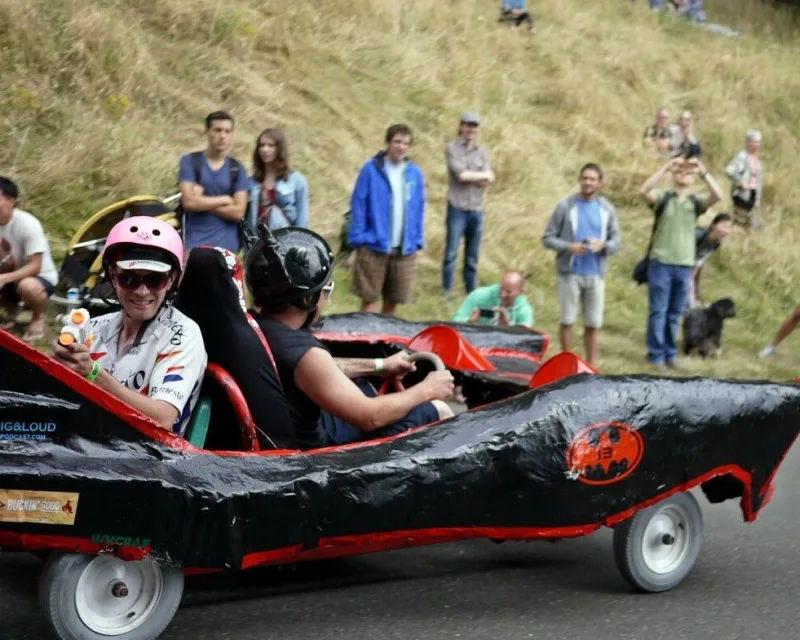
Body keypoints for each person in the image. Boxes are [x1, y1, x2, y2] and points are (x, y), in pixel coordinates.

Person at [246, 224, 455, 450]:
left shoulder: (252, 325)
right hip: (319, 457)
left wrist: (379, 365)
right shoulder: (302, 351)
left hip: (285, 434)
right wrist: (428, 389)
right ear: (308, 299)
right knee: (438, 409)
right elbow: (369, 417)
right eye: (327, 289)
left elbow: (319, 371)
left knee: (365, 385)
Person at [51, 217, 207, 436]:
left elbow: (162, 418)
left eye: (155, 280)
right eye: (130, 279)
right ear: (113, 277)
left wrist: (94, 373)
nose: (142, 292)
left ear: (171, 279)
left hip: (149, 461)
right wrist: (56, 368)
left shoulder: (183, 334)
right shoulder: (93, 327)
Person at [639, 157, 723, 370]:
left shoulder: (695, 203)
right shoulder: (663, 198)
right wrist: (665, 167)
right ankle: (655, 355)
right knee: (658, 310)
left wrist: (702, 171)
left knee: (675, 312)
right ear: (673, 176)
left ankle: (669, 353)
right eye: (680, 171)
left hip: (684, 265)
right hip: (661, 262)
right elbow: (644, 191)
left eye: (688, 172)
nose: (684, 173)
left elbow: (718, 195)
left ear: (693, 178)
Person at [542, 163, 622, 366]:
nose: (588, 182)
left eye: (592, 179)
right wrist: (569, 246)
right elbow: (547, 238)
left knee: (593, 323)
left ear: (600, 183)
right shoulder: (565, 207)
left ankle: (590, 365)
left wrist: (604, 245)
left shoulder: (606, 209)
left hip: (596, 273)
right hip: (570, 272)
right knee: (567, 319)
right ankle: (567, 364)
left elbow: (617, 241)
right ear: (579, 180)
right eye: (585, 178)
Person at [348, 124, 426, 317]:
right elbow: (359, 203)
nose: (401, 147)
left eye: (406, 143)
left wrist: (416, 239)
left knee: (393, 300)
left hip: (404, 248)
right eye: (397, 142)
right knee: (369, 299)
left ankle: (386, 345)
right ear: (388, 143)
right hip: (373, 245)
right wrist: (359, 238)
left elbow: (419, 207)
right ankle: (366, 342)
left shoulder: (414, 173)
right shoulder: (372, 169)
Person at [178, 111, 250, 252]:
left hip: (227, 250)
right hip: (193, 246)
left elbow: (238, 213)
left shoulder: (237, 169)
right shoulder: (190, 162)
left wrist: (200, 201)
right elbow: (189, 202)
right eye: (217, 130)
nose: (222, 136)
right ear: (207, 131)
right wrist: (224, 199)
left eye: (227, 131)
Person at [442, 111, 495, 297]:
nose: (471, 129)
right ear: (461, 126)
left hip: (476, 209)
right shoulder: (451, 149)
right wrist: (480, 175)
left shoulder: (482, 153)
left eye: (474, 126)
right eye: (468, 125)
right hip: (457, 207)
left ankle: (470, 292)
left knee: (472, 257)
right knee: (451, 253)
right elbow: (461, 175)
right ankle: (446, 291)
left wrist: (473, 176)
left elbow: (488, 181)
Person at [0, 176, 58, 342]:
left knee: (27, 286)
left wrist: (4, 278)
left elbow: (35, 266)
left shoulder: (27, 223)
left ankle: (37, 317)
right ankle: (14, 312)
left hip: (39, 278)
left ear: (11, 200)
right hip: (9, 278)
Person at [246, 127, 310, 231]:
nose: (265, 149)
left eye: (270, 145)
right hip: (258, 241)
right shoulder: (251, 182)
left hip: (285, 241)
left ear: (279, 149)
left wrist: (298, 242)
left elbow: (302, 219)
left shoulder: (297, 180)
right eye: (261, 145)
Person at [451, 269, 534, 327]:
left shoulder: (524, 310)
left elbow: (525, 340)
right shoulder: (479, 296)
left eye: (509, 291)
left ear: (520, 292)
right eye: (501, 288)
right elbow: (455, 321)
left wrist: (508, 328)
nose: (503, 294)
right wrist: (469, 322)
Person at [688, 212, 733, 309]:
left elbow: (699, 263)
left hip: (686, 270)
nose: (726, 231)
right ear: (713, 225)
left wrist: (695, 289)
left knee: (692, 304)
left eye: (729, 227)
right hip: (675, 265)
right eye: (724, 226)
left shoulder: (716, 243)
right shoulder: (698, 235)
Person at [725, 130, 764, 231]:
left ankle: (744, 242)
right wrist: (740, 181)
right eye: (755, 142)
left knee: (747, 221)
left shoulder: (756, 161)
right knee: (741, 218)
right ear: (748, 142)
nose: (757, 145)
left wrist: (758, 198)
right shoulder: (742, 157)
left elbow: (758, 182)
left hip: (752, 195)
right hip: (742, 194)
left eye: (758, 142)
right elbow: (729, 170)